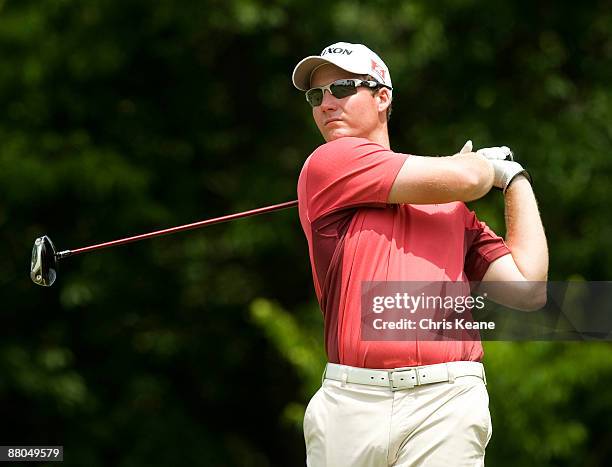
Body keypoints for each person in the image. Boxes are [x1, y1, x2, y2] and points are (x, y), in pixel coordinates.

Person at [291, 42, 548, 466]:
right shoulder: (329, 163)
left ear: (382, 96)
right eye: (316, 96)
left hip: (446, 400)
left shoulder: (452, 210)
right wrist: (485, 167)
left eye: (341, 88)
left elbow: (528, 290)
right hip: (351, 400)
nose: (326, 104)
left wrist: (515, 179)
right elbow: (467, 176)